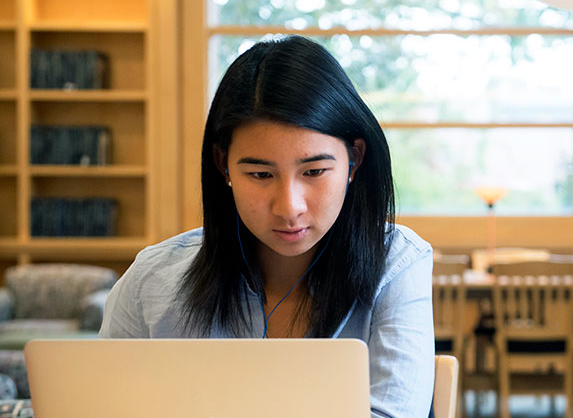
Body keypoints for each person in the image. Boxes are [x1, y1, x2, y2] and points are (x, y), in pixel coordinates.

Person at [99, 36, 434, 417]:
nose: (289, 207)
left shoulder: (397, 264)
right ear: (223, 165)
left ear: (354, 161)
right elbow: (100, 405)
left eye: (314, 171)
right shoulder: (152, 279)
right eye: (260, 173)